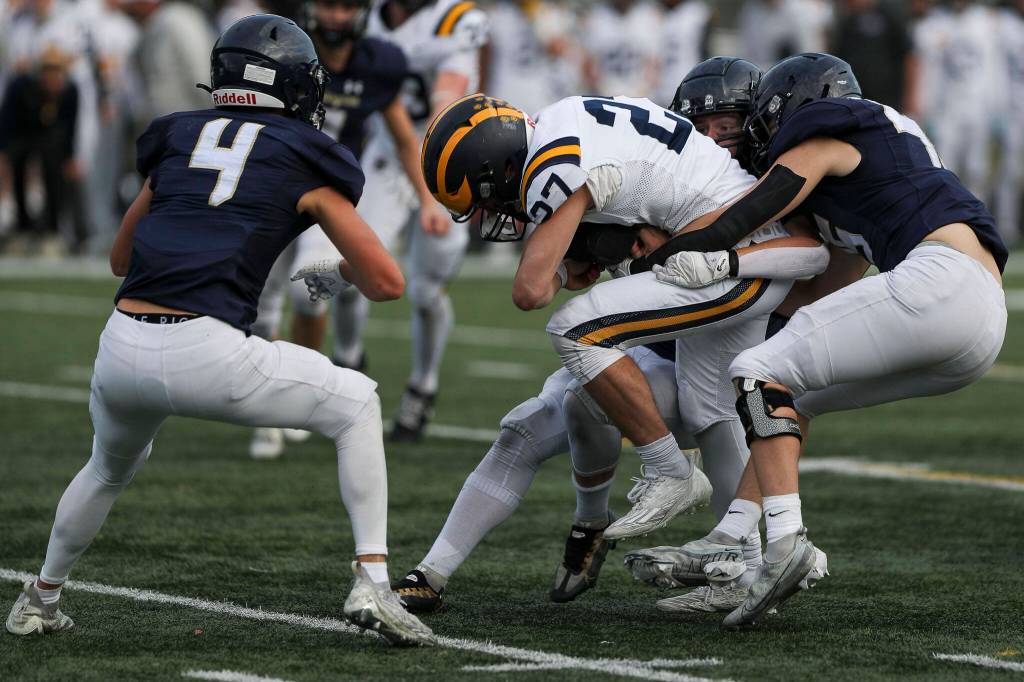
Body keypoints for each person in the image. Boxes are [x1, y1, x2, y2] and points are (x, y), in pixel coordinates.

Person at [4, 15, 434, 647]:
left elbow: (120, 262)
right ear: (290, 83)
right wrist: (337, 272)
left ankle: (39, 597)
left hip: (121, 345)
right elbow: (388, 281)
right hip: (209, 350)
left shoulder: (176, 137)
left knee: (107, 465)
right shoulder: (303, 152)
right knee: (357, 404)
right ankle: (372, 578)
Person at [403, 86, 831, 608]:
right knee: (704, 417)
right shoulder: (569, 121)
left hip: (730, 260)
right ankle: (735, 573)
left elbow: (529, 291)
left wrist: (570, 259)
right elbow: (620, 220)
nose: (495, 213)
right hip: (706, 282)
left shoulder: (553, 162)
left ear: (503, 165)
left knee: (575, 329)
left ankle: (668, 470)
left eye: (489, 197)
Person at [639, 52, 1006, 627]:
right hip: (974, 316)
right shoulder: (867, 171)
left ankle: (786, 543)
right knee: (792, 391)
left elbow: (759, 203)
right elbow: (807, 300)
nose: (762, 141)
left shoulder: (833, 126)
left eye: (764, 124)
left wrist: (678, 253)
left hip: (942, 279)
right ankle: (735, 536)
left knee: (760, 370)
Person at [247, 0, 448, 459]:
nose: (336, 17)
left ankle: (301, 391)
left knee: (307, 290)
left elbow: (401, 135)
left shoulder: (376, 64)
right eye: (328, 6)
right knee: (259, 309)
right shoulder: (288, 53)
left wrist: (428, 199)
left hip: (327, 196)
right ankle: (269, 411)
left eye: (346, 7)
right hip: (274, 187)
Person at [333, 0, 489, 442]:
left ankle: (424, 385)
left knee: (424, 289)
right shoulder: (361, 17)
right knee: (351, 269)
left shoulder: (457, 19)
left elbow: (448, 91)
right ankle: (347, 362)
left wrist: (433, 184)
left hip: (447, 160)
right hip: (384, 156)